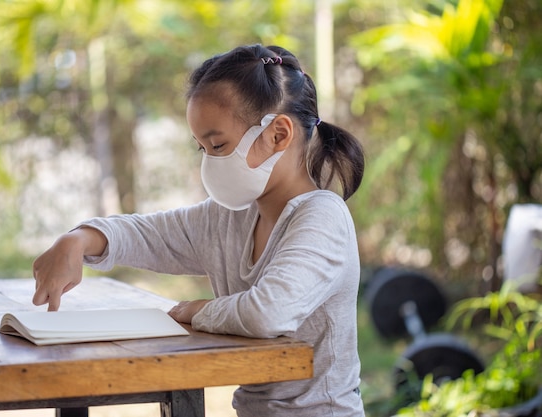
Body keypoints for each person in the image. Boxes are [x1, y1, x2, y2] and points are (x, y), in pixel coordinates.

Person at [33, 44, 365, 417]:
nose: (209, 161)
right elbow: (151, 235)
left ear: (278, 134)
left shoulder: (322, 217)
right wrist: (77, 240)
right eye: (202, 148)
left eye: (218, 144)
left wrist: (194, 310)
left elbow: (266, 314)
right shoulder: (230, 216)